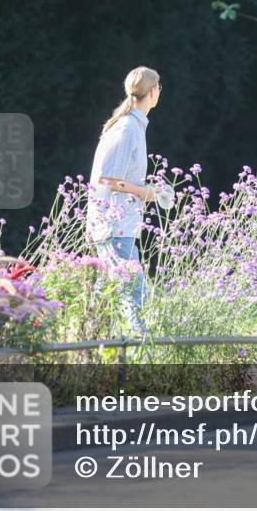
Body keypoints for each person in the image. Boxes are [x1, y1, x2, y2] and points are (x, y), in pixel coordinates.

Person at [86, 65, 170, 334]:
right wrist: (144, 193)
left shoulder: (132, 126)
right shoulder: (127, 129)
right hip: (114, 227)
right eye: (159, 87)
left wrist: (149, 188)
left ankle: (87, 350)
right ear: (154, 92)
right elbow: (107, 179)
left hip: (117, 226)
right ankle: (142, 357)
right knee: (136, 296)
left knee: (105, 299)